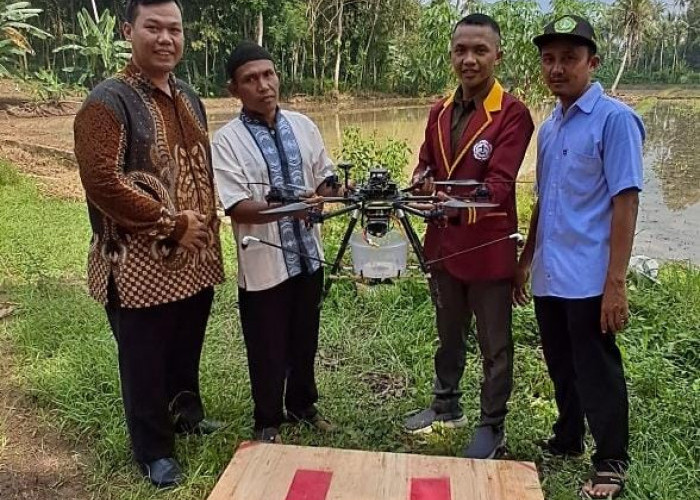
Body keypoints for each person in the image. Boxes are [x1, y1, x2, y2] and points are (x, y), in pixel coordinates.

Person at [73, 0, 225, 488]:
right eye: (153, 27)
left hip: (194, 258)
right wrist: (168, 222)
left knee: (186, 346)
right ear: (128, 31)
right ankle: (154, 450)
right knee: (143, 358)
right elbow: (102, 182)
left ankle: (187, 413)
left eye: (174, 29)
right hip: (138, 263)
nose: (165, 38)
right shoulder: (107, 100)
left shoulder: (190, 96)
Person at [514, 15, 644, 499]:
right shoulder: (549, 129)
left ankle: (611, 461)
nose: (557, 68)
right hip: (551, 272)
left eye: (569, 58)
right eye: (549, 59)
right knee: (560, 364)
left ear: (593, 62)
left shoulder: (615, 121)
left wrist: (617, 283)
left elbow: (625, 202)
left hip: (590, 276)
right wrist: (526, 260)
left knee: (597, 367)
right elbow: (544, 202)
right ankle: (567, 438)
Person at [404, 13, 534, 460]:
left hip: (486, 248)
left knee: (494, 344)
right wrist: (421, 182)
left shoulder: (513, 114)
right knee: (448, 332)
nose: (469, 59)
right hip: (442, 244)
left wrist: (440, 196)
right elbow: (425, 165)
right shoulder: (438, 111)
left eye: (480, 50)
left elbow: (499, 184)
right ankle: (446, 403)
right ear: (451, 54)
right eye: (461, 50)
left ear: (498, 55)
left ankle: (492, 426)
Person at [212, 41, 342, 444]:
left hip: (308, 257)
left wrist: (341, 190)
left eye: (269, 75)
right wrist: (294, 209)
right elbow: (237, 208)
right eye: (251, 79)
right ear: (234, 89)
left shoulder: (304, 126)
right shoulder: (226, 141)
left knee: (305, 338)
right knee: (266, 346)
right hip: (263, 265)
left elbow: (325, 178)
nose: (264, 85)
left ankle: (303, 406)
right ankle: (267, 421)